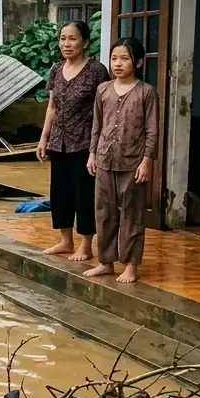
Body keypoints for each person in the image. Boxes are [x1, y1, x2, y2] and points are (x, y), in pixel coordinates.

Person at [85, 37, 160, 285]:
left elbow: (152, 130)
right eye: (114, 58)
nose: (117, 63)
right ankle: (105, 262)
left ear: (138, 62)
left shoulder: (146, 92)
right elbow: (97, 125)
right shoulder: (103, 90)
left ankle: (131, 265)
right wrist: (92, 153)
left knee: (132, 213)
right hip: (104, 159)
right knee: (104, 212)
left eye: (124, 58)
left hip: (133, 162)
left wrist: (147, 160)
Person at [36, 21, 109, 262]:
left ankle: (86, 246)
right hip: (59, 142)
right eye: (63, 38)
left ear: (85, 43)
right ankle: (66, 241)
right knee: (60, 192)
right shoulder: (56, 69)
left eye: (72, 39)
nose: (66, 44)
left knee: (84, 194)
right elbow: (52, 107)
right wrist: (44, 139)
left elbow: (104, 108)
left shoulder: (96, 71)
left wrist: (98, 146)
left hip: (85, 143)